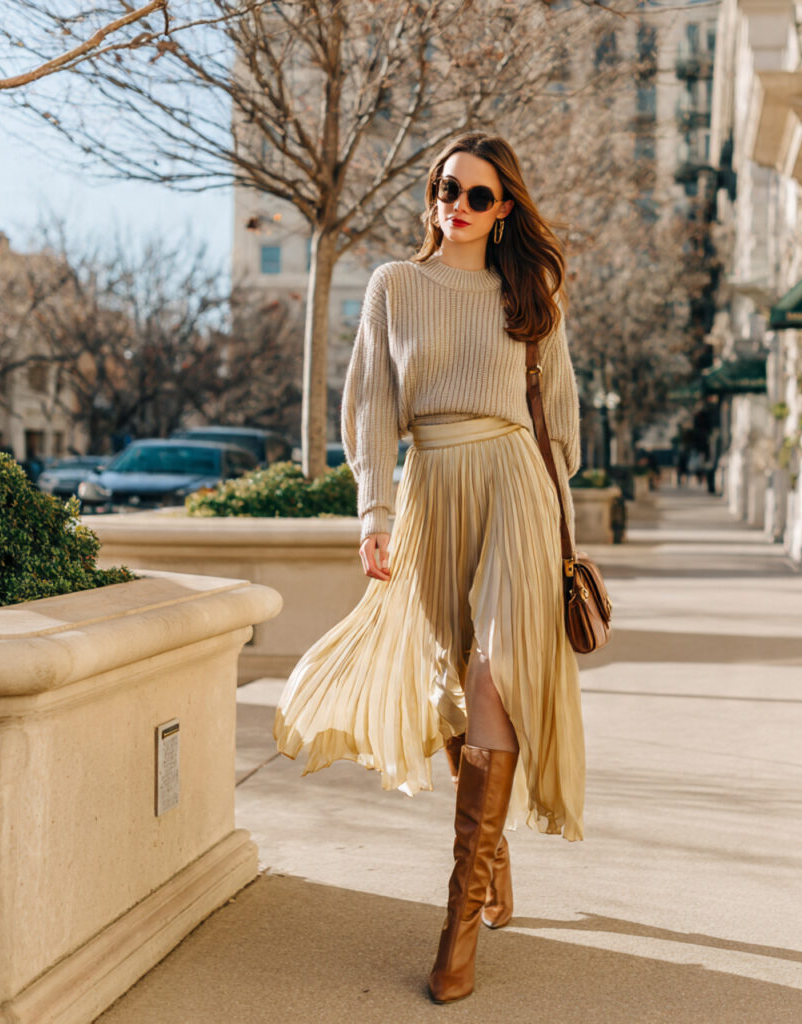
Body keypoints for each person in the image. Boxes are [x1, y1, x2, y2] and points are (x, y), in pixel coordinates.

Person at [273, 132, 586, 1004]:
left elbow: (558, 424)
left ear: (505, 208)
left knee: (495, 680)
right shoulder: (394, 286)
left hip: (515, 489)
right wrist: (373, 510)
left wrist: (561, 528)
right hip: (430, 492)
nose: (458, 203)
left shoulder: (534, 293)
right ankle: (493, 859)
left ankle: (457, 933)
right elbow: (371, 405)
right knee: (448, 680)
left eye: (478, 194)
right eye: (448, 186)